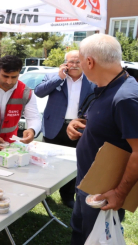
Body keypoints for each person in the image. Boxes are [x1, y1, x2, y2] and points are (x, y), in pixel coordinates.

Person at [66, 34, 138, 244]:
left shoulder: (126, 97)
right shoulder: (109, 87)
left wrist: (119, 193)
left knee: (95, 239)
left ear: (89, 62)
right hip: (87, 183)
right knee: (80, 234)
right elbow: (111, 126)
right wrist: (78, 125)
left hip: (104, 191)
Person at [34, 50, 95, 209]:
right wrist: (59, 78)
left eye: (78, 62)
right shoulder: (54, 77)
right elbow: (39, 92)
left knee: (74, 164)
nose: (74, 65)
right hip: (54, 127)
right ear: (65, 64)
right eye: (71, 62)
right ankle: (44, 194)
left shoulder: (91, 80)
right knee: (47, 163)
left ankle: (67, 196)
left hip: (78, 128)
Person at [0, 55, 41, 151]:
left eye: (14, 77)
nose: (9, 81)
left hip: (8, 146)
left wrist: (32, 130)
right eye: (5, 76)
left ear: (19, 73)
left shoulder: (26, 92)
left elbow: (34, 118)